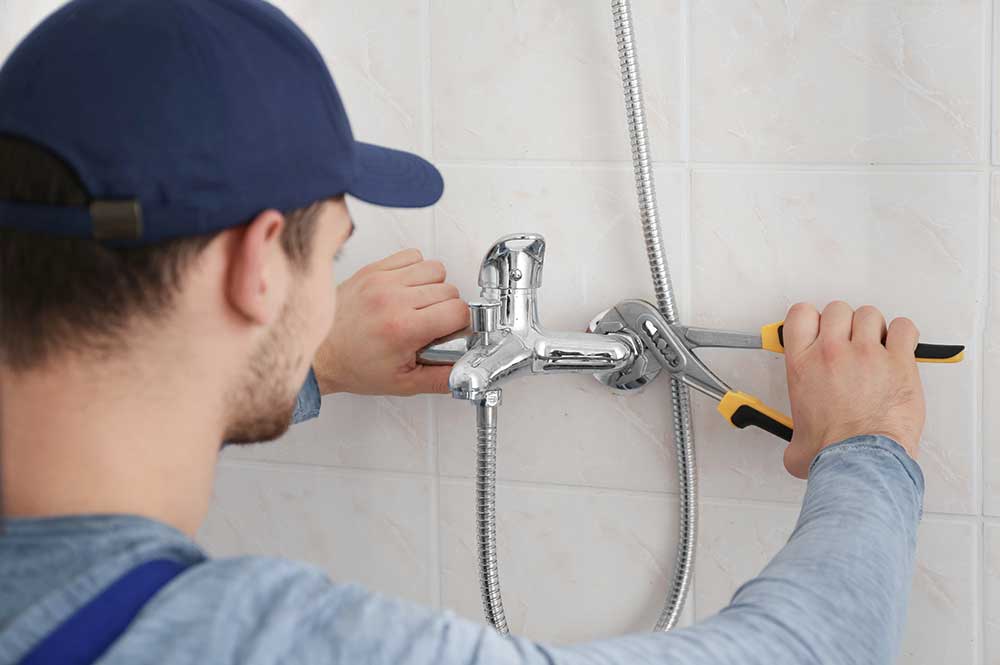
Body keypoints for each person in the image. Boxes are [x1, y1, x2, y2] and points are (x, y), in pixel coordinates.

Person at [0, 1, 925, 664]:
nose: (328, 296)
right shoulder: (245, 640)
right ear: (256, 269)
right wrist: (866, 449)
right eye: (331, 259)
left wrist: (303, 357)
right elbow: (806, 648)